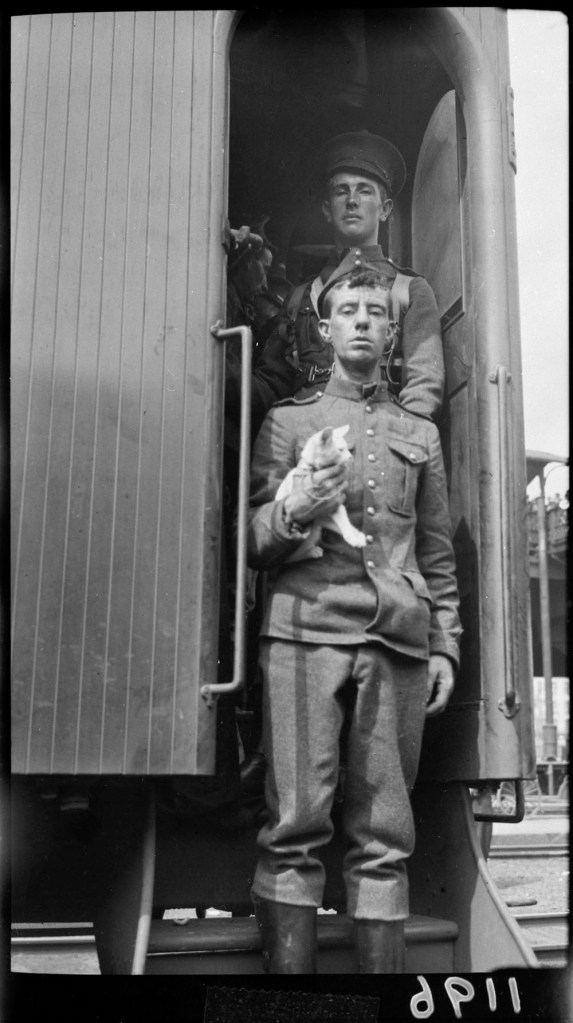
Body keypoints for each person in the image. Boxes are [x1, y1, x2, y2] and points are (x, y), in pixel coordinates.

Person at [246, 264, 461, 973]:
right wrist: (295, 507)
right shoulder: (288, 423)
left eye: (375, 311)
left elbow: (434, 554)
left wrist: (444, 648)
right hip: (302, 632)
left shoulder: (418, 433)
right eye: (349, 310)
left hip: (395, 639)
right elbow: (253, 542)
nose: (363, 320)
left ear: (393, 333)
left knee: (384, 835)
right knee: (293, 825)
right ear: (326, 329)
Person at [283, 131, 445, 421]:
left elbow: (424, 384)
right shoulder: (300, 298)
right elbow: (273, 386)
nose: (352, 201)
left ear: (385, 210)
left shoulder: (410, 291)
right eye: (341, 191)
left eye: (364, 190)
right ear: (326, 209)